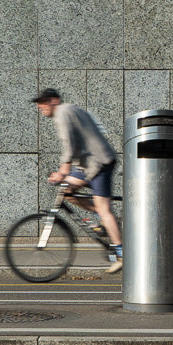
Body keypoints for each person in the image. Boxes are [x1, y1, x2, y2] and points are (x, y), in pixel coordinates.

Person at [31, 89, 124, 273]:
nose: (40, 106)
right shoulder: (69, 111)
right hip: (87, 164)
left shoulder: (63, 112)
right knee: (66, 191)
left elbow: (70, 143)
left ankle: (121, 253)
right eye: (39, 103)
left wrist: (63, 170)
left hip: (99, 162)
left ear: (54, 101)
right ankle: (102, 217)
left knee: (104, 209)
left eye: (44, 102)